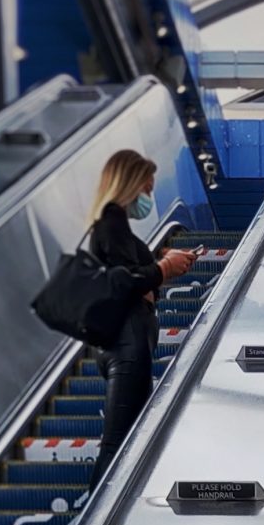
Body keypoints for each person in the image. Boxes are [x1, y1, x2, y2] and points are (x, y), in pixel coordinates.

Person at [86, 150, 195, 482]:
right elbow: (125, 281)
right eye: (146, 190)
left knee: (130, 441)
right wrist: (163, 268)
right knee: (118, 444)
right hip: (127, 342)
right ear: (129, 183)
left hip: (124, 340)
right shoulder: (112, 222)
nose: (148, 197)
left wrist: (160, 265)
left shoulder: (113, 227)